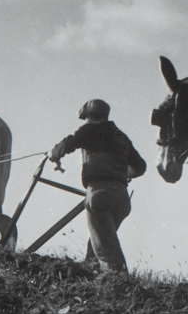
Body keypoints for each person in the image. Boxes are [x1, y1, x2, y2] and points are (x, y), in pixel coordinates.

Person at [48, 99, 147, 273]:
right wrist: (121, 173)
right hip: (122, 198)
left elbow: (69, 142)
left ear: (89, 117)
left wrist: (53, 153)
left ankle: (121, 285)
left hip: (99, 194)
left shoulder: (90, 129)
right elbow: (140, 166)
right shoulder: (121, 136)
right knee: (99, 242)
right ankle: (92, 274)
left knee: (107, 253)